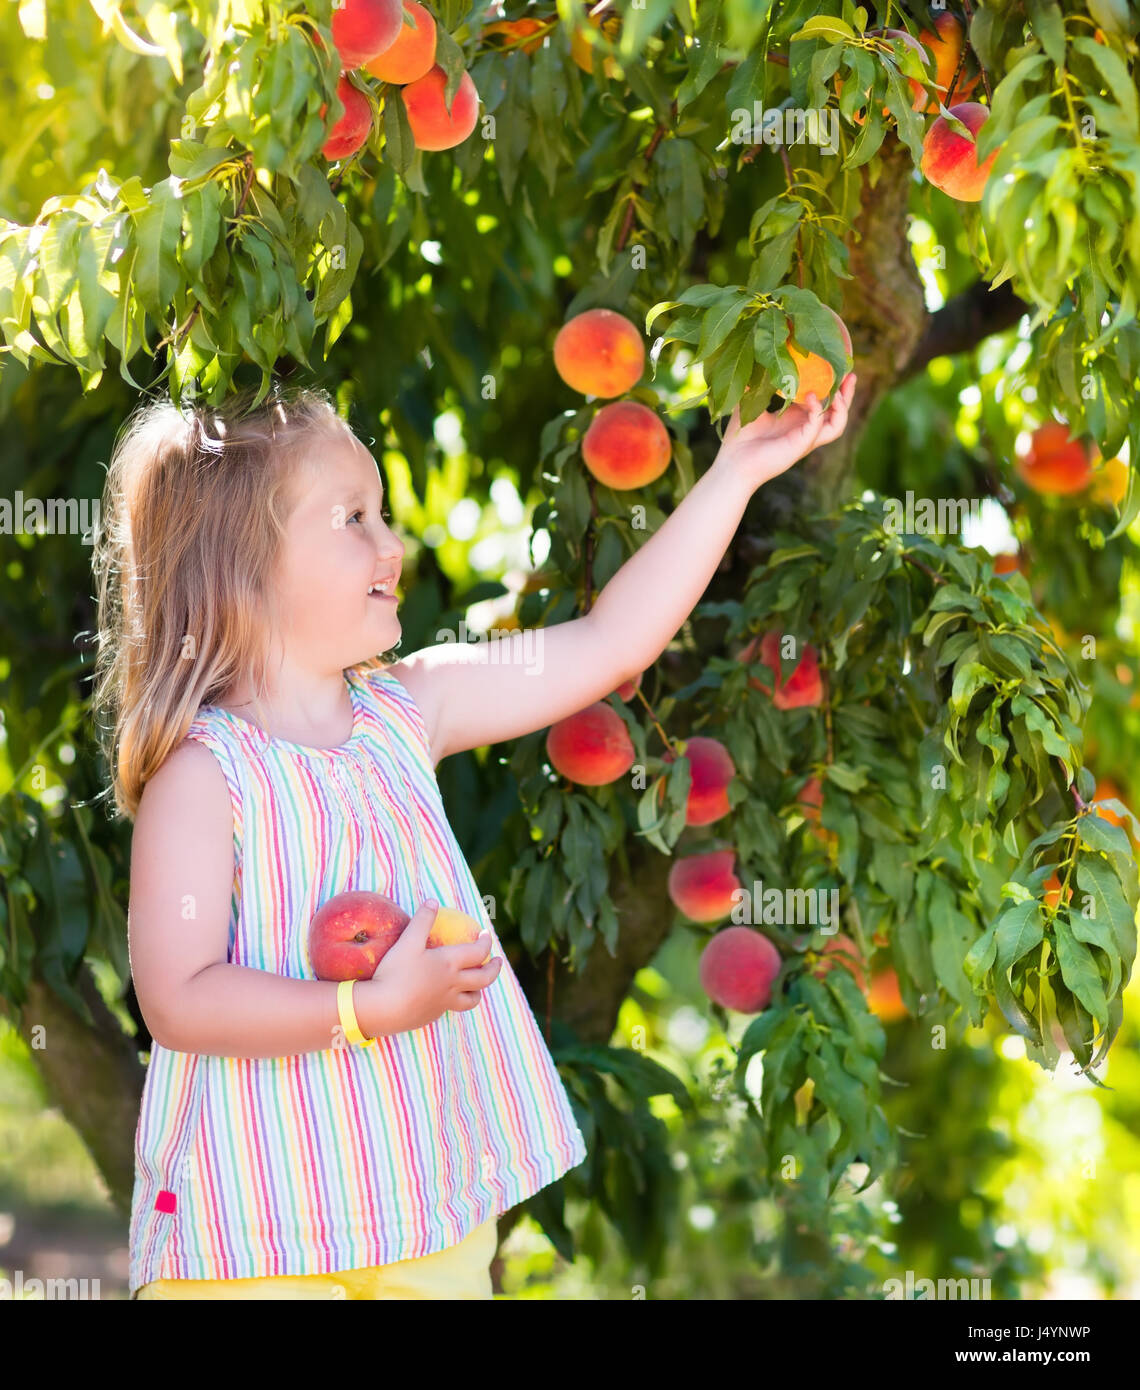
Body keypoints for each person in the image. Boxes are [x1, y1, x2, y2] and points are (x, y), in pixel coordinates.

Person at [92, 370, 855, 1300]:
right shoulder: (204, 775)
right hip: (257, 1228)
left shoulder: (411, 708)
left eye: (383, 513)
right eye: (353, 520)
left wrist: (736, 471)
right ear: (242, 565)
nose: (394, 542)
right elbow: (179, 1000)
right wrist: (363, 1012)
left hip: (426, 1211)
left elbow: (612, 640)